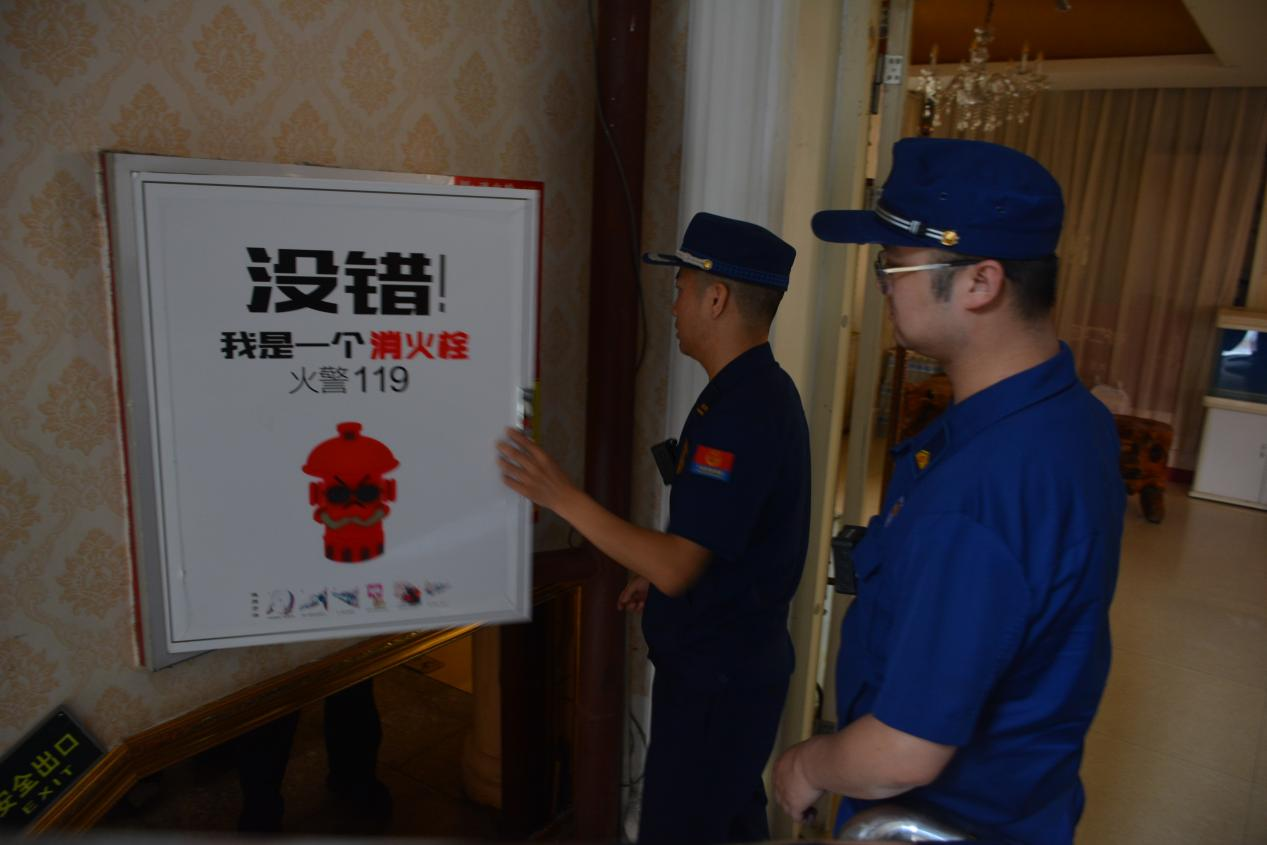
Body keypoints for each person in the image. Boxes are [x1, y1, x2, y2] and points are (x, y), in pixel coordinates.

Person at [771, 138, 1125, 845]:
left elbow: (903, 751)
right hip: (1029, 805)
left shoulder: (980, 490)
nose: (882, 284)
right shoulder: (1068, 413)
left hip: (947, 821)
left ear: (979, 282)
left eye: (893, 265)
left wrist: (805, 764)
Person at [496, 212, 811, 843]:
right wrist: (660, 572)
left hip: (716, 684)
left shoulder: (740, 412)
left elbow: (678, 565)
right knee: (729, 825)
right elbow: (711, 542)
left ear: (716, 298)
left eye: (681, 288)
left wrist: (560, 495)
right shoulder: (753, 391)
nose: (672, 306)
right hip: (733, 671)